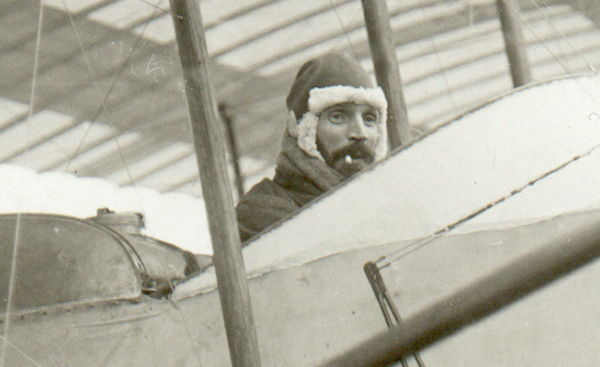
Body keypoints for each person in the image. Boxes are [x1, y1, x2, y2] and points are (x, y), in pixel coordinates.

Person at [236, 53, 389, 243]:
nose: (360, 134)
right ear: (298, 127)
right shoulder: (264, 212)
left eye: (369, 119)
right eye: (338, 117)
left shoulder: (383, 204)